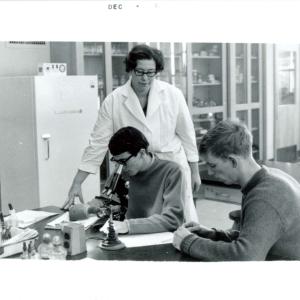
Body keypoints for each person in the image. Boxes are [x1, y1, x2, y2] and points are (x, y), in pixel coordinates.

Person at [62, 44, 200, 222]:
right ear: (130, 70)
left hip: (171, 164)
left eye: (151, 73)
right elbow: (97, 144)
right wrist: (77, 182)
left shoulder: (173, 94)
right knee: (142, 218)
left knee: (178, 218)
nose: (145, 79)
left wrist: (195, 171)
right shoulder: (114, 100)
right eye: (139, 72)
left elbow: (187, 136)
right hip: (136, 167)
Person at [173, 120, 300, 261]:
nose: (209, 172)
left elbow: (246, 257)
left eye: (212, 165)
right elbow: (256, 238)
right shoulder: (269, 178)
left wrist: (188, 242)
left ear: (233, 161)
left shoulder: (265, 197)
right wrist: (213, 235)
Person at [103, 126, 184, 234]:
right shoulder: (122, 170)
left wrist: (128, 226)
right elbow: (105, 201)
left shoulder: (171, 172)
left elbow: (172, 220)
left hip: (160, 239)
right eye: (116, 162)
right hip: (131, 238)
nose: (120, 167)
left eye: (123, 161)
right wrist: (93, 209)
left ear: (141, 153)